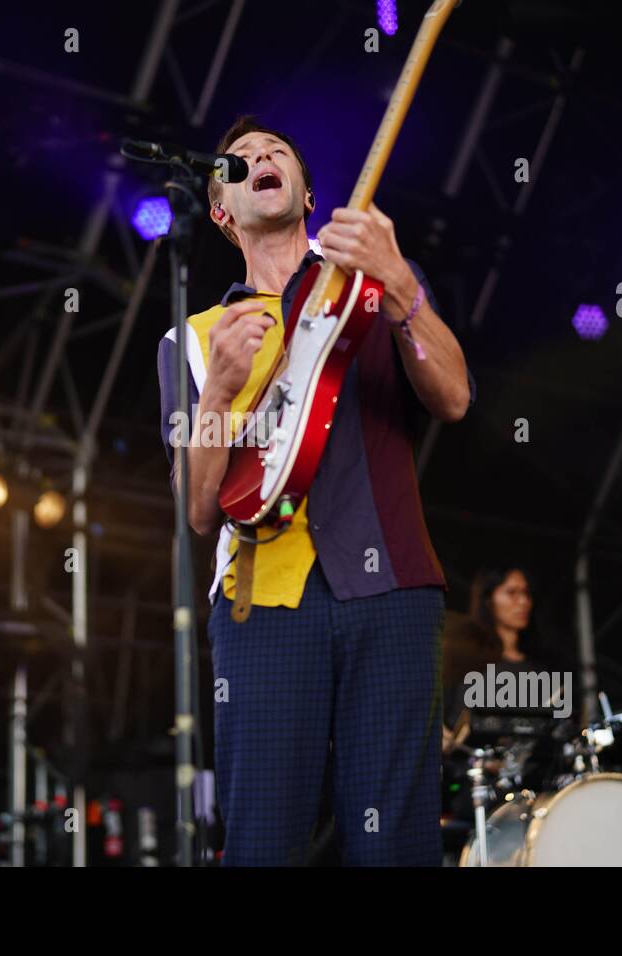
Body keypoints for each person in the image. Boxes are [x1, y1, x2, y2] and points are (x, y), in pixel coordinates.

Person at [156, 116, 474, 865]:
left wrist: (401, 286)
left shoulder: (373, 287)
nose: (262, 158)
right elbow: (197, 510)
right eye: (240, 161)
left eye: (279, 154)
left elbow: (454, 396)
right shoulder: (196, 337)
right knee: (263, 844)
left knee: (394, 845)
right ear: (221, 210)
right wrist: (217, 398)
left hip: (391, 587)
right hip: (260, 602)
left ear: (307, 192)